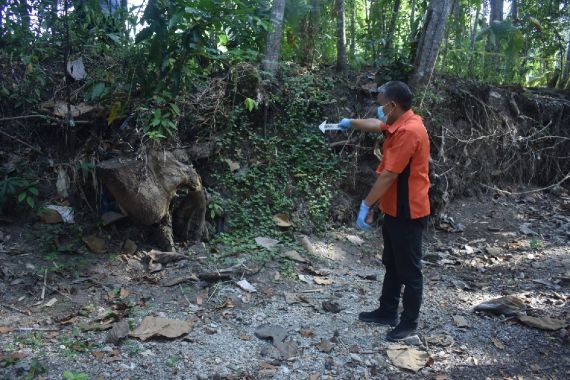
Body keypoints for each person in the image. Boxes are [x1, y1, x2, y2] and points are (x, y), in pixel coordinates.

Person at [338, 81, 430, 341]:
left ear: (392, 105)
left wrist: (366, 204)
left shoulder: (410, 131)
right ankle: (387, 311)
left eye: (380, 105)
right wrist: (349, 122)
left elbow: (389, 174)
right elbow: (374, 124)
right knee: (391, 263)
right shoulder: (398, 121)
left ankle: (409, 323)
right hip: (394, 209)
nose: (378, 110)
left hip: (408, 211)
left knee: (409, 269)